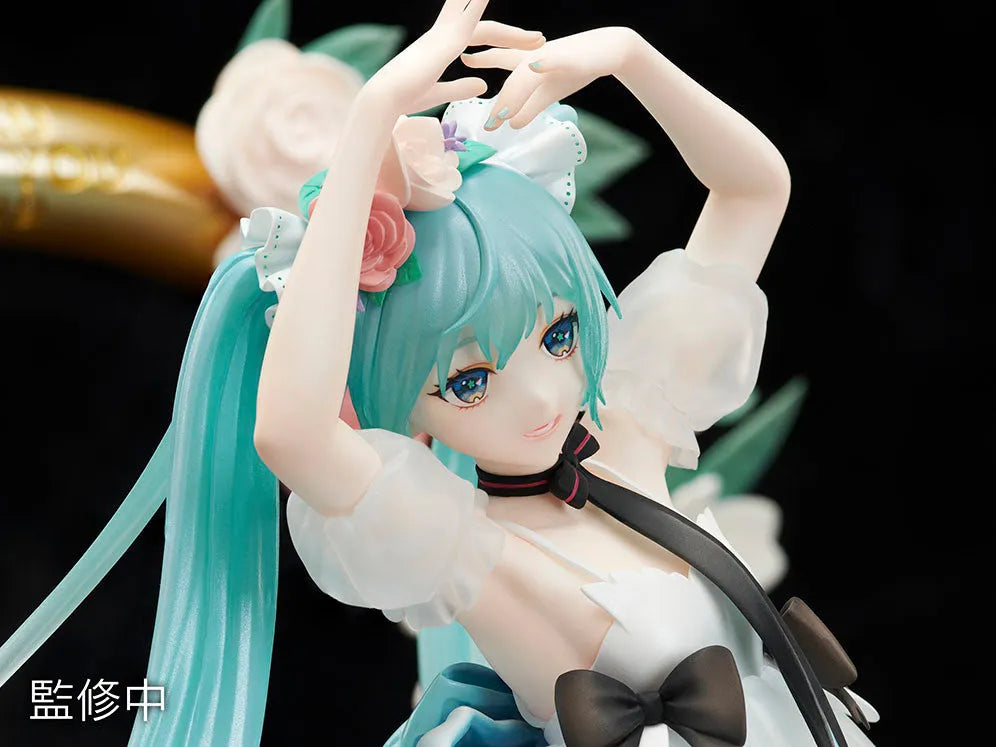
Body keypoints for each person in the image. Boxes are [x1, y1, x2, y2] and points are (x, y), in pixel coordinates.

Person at [0, 2, 877, 744]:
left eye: (561, 334)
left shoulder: (634, 422)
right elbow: (291, 431)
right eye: (467, 383)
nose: (542, 394)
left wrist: (628, 55)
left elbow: (754, 192)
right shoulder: (474, 549)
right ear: (411, 417)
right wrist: (368, 129)